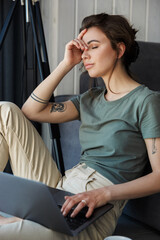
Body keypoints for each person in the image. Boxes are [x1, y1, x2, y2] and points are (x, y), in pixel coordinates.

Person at [0, 13, 160, 240]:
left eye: (93, 47)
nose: (85, 54)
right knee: (4, 110)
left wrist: (102, 194)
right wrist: (66, 64)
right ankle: (23, 220)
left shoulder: (146, 101)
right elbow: (29, 111)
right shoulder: (90, 98)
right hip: (59, 190)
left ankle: (20, 222)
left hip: (92, 210)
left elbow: (159, 176)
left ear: (119, 50)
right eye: (84, 48)